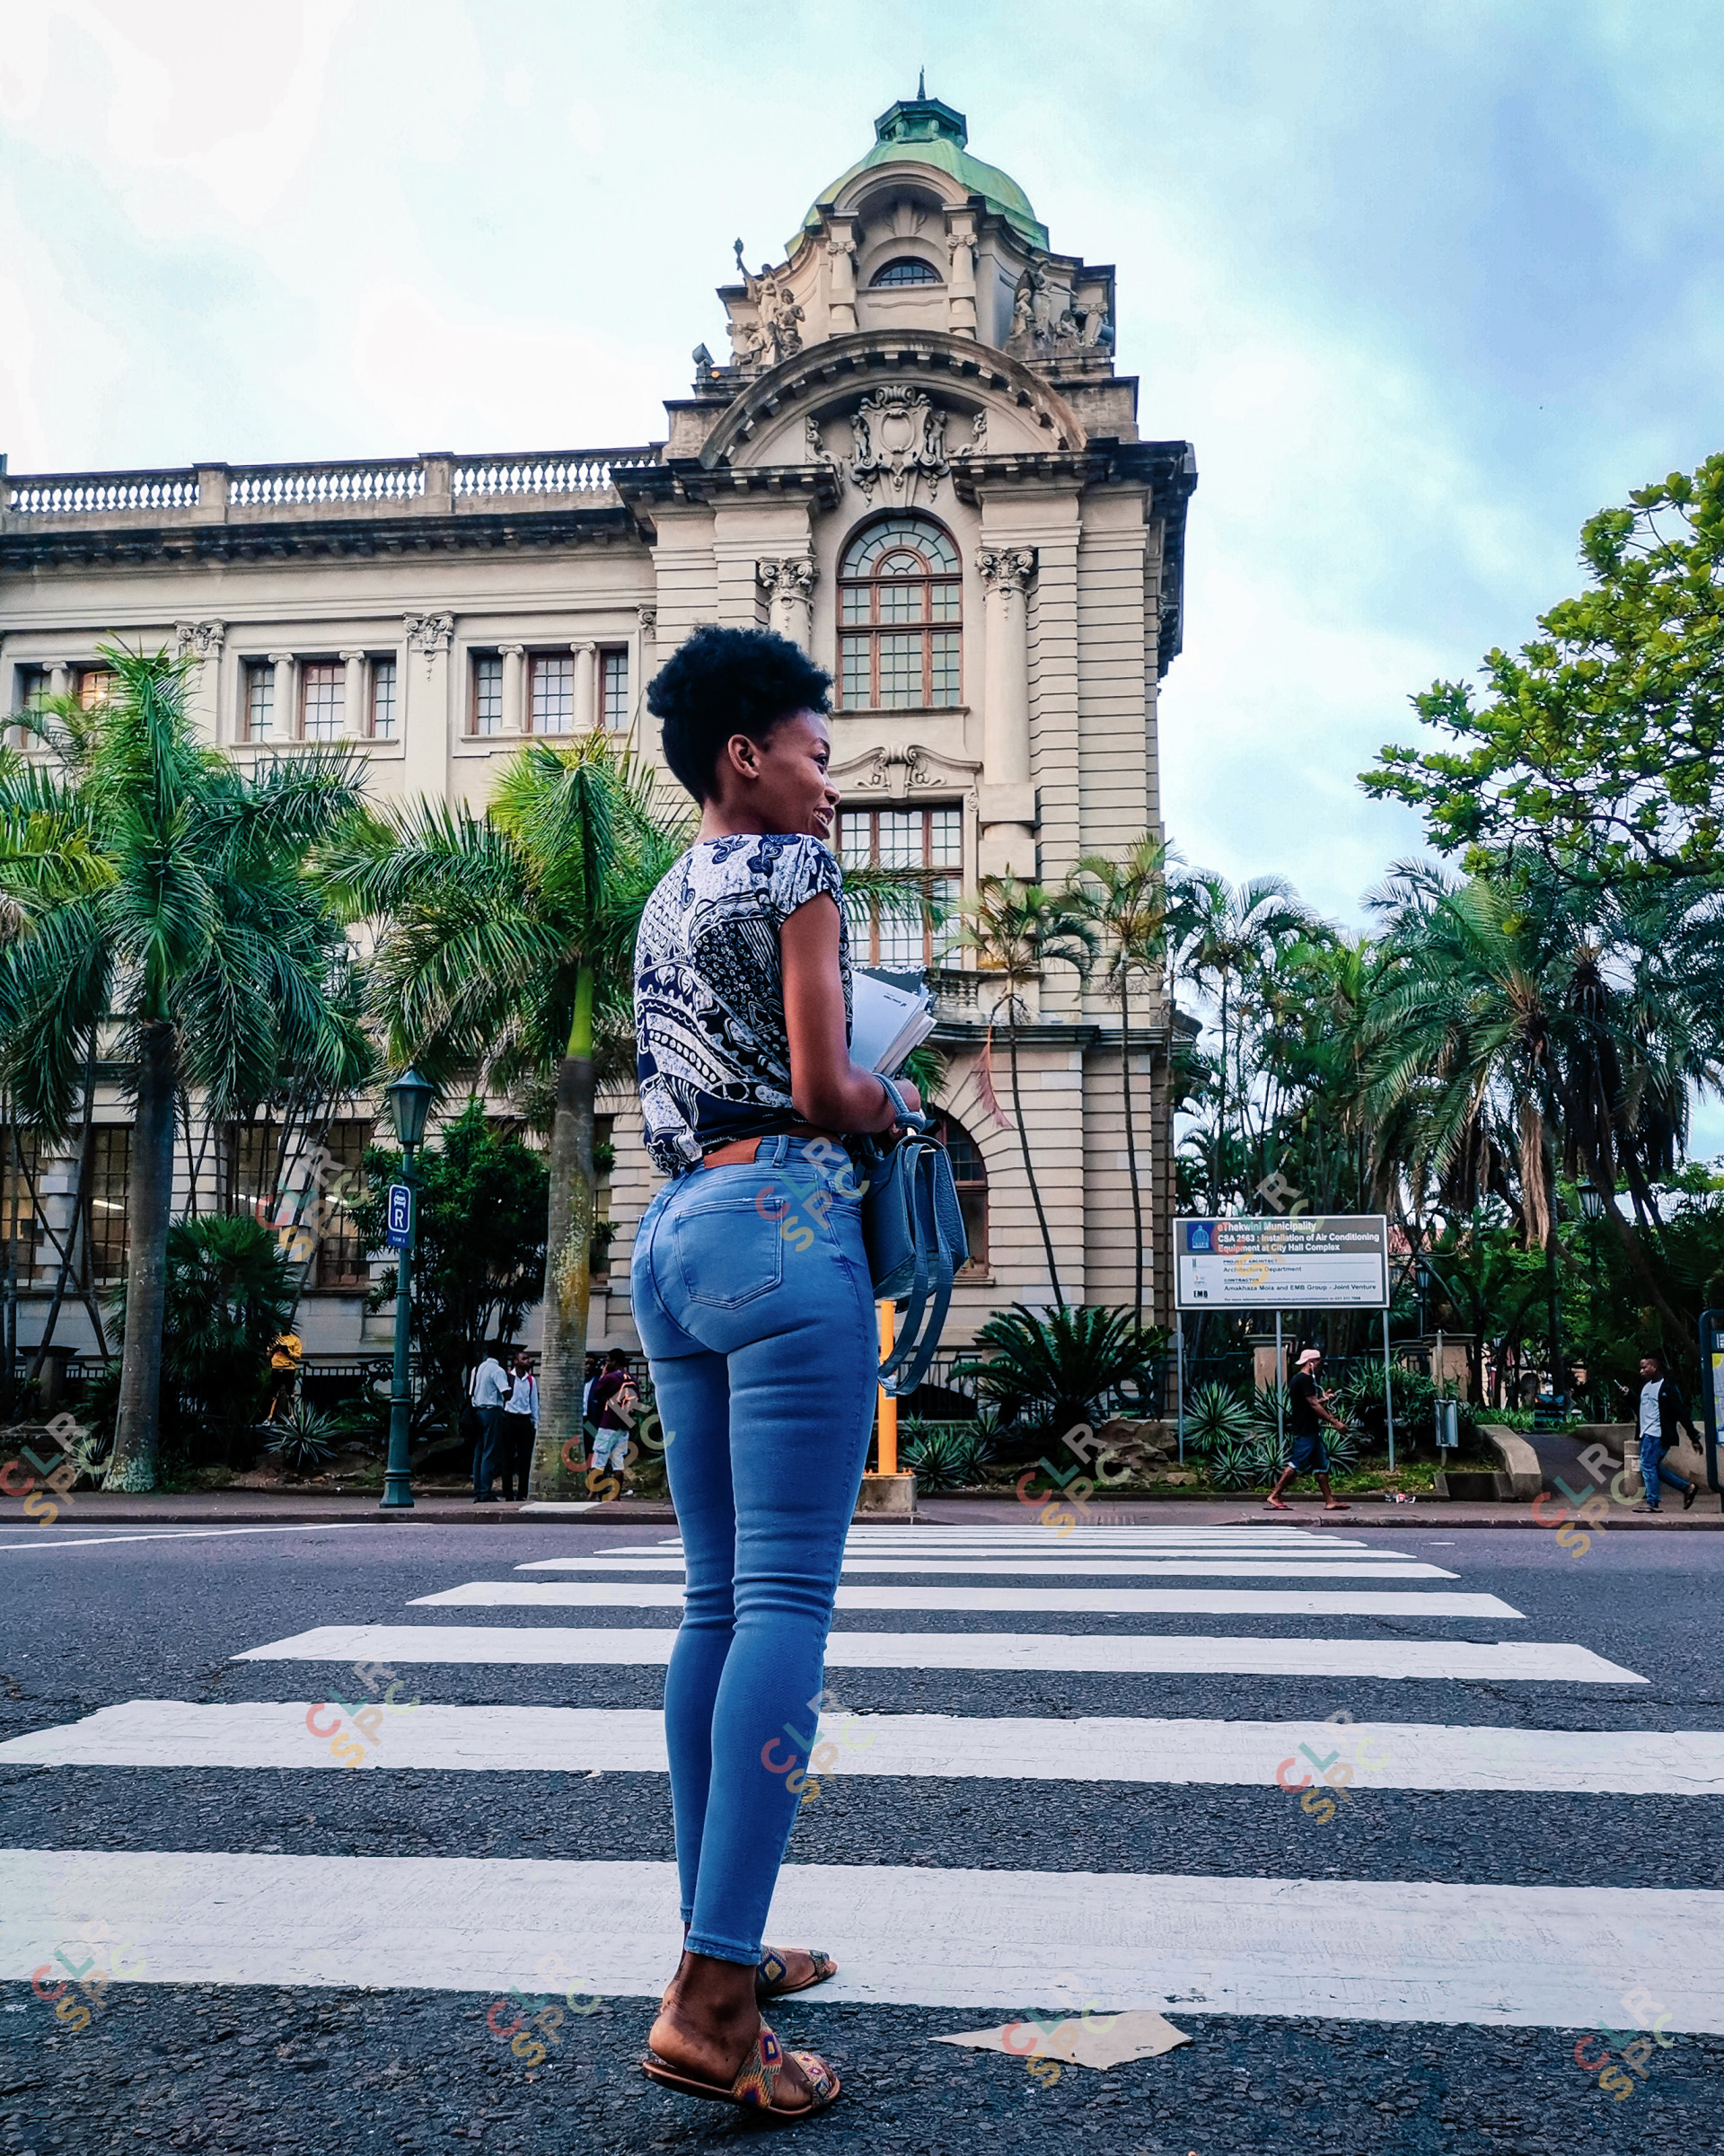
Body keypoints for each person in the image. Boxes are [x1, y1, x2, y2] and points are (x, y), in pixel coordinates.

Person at [629, 624, 919, 2119]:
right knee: (788, 1601)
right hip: (786, 1218)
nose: (830, 783)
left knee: (715, 1601)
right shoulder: (798, 870)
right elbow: (821, 1085)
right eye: (815, 753)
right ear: (745, 755)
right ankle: (714, 1999)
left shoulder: (666, 893)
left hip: (675, 1239)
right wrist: (895, 1094)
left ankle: (718, 1940)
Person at [1264, 1346, 1352, 1512]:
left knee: (1321, 1466)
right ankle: (1275, 1495)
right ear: (1311, 1363)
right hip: (1305, 1429)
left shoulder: (1302, 1380)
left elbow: (1310, 1402)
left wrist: (1323, 1399)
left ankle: (1329, 1501)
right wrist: (1335, 1422)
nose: (1320, 1365)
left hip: (1311, 1428)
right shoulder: (1304, 1379)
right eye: (1318, 1362)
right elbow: (1312, 1404)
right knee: (1296, 1463)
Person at [1631, 1349, 1700, 1513]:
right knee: (1654, 1467)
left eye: (1645, 1367)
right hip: (1645, 1434)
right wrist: (1628, 1396)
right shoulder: (1646, 1387)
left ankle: (1652, 1502)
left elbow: (1681, 1412)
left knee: (1648, 1466)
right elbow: (1641, 1408)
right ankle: (1686, 1488)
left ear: (1654, 1367)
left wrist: (1693, 1436)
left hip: (1657, 1434)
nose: (1641, 1371)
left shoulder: (1668, 1387)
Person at [469, 1342, 510, 1504]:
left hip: (477, 1411)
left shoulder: (477, 1369)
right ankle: (486, 1490)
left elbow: (471, 1392)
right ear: (501, 1355)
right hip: (492, 1411)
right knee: (490, 1451)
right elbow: (506, 1394)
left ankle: (478, 1489)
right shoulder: (497, 1370)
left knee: (479, 1451)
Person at [499, 1348, 538, 1503]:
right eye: (524, 1359)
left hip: (525, 1420)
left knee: (525, 1458)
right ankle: (508, 1492)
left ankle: (522, 1492)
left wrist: (535, 1422)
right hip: (510, 1418)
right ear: (516, 1361)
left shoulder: (531, 1380)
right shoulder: (508, 1377)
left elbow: (534, 1402)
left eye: (528, 1358)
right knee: (507, 1457)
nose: (528, 1361)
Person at [590, 1369, 638, 1486]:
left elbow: (596, 1391)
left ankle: (593, 1492)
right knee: (618, 1462)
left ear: (614, 1362)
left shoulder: (611, 1378)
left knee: (599, 1459)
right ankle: (617, 1494)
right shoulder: (631, 1379)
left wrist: (603, 1374)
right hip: (624, 1425)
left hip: (608, 1423)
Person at [585, 1348, 630, 1452]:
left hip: (593, 1419)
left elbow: (599, 1394)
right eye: (586, 1363)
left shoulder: (601, 1380)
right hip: (579, 1419)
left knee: (593, 1444)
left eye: (591, 1364)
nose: (588, 1367)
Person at [266, 1330, 303, 1422]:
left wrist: (288, 1352)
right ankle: (270, 1416)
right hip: (276, 1368)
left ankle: (292, 1416)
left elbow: (298, 1356)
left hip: (288, 1368)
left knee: (290, 1393)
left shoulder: (295, 1339)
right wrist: (273, 1350)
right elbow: (268, 1354)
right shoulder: (275, 1339)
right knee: (274, 1393)